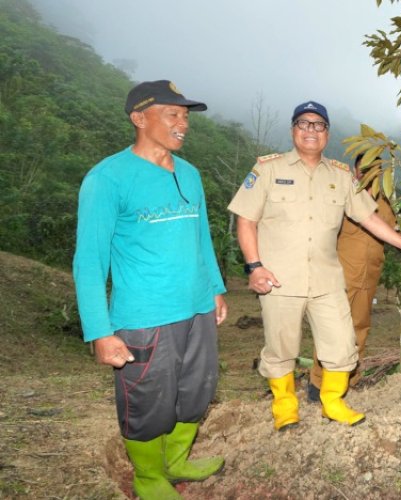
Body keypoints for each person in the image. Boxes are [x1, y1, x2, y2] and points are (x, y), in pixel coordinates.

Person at [73, 80, 227, 500]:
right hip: (144, 316)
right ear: (139, 118)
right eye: (172, 114)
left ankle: (175, 461)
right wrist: (100, 331)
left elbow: (202, 238)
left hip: (197, 308)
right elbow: (89, 261)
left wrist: (215, 288)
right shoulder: (107, 179)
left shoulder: (190, 174)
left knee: (196, 392)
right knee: (147, 400)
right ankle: (148, 477)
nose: (183, 124)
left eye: (186, 116)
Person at [228, 100, 401, 430]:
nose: (311, 130)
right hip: (279, 279)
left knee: (342, 344)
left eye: (318, 125)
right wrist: (254, 266)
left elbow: (368, 217)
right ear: (293, 130)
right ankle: (285, 407)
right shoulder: (268, 170)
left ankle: (333, 402)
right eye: (303, 123)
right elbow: (246, 219)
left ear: (327, 134)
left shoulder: (341, 176)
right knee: (280, 348)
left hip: (326, 279)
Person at [306, 153, 397, 402]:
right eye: (364, 169)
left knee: (360, 328)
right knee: (332, 330)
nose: (369, 174)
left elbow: (394, 232)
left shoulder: (387, 203)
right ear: (355, 171)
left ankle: (350, 380)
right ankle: (318, 382)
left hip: (369, 277)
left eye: (375, 170)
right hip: (341, 275)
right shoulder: (342, 196)